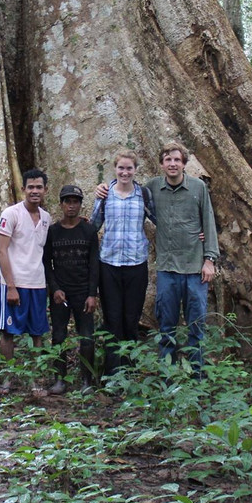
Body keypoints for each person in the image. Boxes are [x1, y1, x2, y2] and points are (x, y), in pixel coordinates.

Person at [96, 141, 218, 376]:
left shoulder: (198, 188)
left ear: (184, 163)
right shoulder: (149, 189)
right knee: (166, 323)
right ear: (161, 164)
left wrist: (210, 259)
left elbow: (208, 221)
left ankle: (197, 372)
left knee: (196, 324)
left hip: (195, 267)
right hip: (166, 268)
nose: (172, 164)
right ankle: (167, 372)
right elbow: (124, 189)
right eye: (168, 160)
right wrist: (102, 188)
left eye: (177, 160)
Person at [91, 150, 155, 378]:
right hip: (109, 264)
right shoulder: (105, 194)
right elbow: (94, 225)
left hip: (136, 265)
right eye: (121, 168)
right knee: (112, 319)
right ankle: (111, 374)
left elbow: (160, 220)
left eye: (129, 168)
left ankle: (130, 370)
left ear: (135, 170)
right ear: (115, 169)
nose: (125, 172)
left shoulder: (143, 195)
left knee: (131, 318)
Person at [0, 168, 52, 393]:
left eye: (39, 187)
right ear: (23, 189)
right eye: (31, 187)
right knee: (9, 332)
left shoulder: (46, 218)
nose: (35, 191)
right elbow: (1, 251)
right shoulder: (11, 214)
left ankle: (34, 381)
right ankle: (6, 380)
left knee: (37, 333)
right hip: (14, 283)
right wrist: (10, 286)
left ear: (45, 190)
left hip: (37, 284)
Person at [42, 184, 100, 394]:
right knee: (58, 335)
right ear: (61, 204)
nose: (71, 206)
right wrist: (55, 289)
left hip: (83, 292)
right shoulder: (53, 232)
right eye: (68, 201)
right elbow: (46, 263)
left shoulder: (89, 230)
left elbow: (94, 264)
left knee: (86, 337)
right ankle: (60, 380)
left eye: (75, 201)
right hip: (60, 294)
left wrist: (92, 294)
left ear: (80, 204)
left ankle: (87, 381)